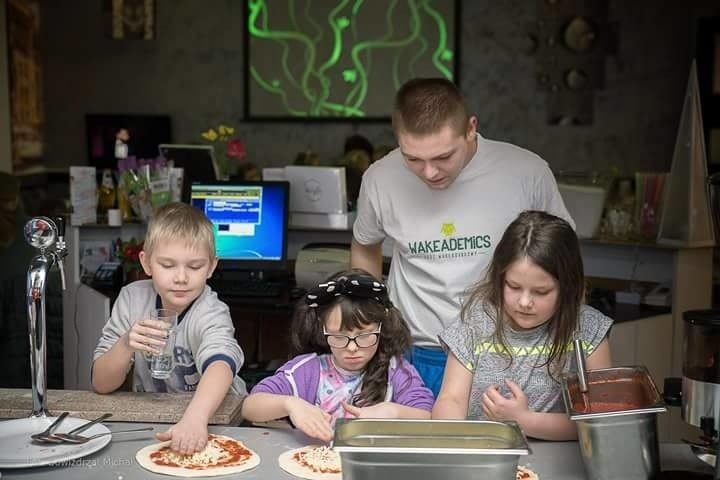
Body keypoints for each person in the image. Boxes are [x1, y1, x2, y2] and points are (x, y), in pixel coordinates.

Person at [351, 77, 574, 396]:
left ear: (470, 128)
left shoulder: (526, 172)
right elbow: (365, 245)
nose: (429, 172)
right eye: (412, 158)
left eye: (443, 157)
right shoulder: (380, 178)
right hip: (416, 353)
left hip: (503, 353)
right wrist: (366, 323)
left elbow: (565, 257)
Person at [432, 211, 612, 440]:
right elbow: (451, 399)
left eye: (541, 291)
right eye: (514, 286)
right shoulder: (475, 323)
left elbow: (601, 419)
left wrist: (524, 421)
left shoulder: (588, 330)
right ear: (500, 277)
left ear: (568, 286)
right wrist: (454, 440)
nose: (525, 302)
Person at [92, 202, 246, 454]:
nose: (181, 278)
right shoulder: (131, 299)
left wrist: (195, 419)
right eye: (167, 265)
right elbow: (101, 383)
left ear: (211, 266)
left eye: (194, 266)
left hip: (217, 419)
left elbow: (221, 365)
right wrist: (125, 344)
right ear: (147, 263)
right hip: (157, 419)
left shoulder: (211, 310)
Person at [241, 269, 434, 442]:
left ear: (381, 329)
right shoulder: (308, 369)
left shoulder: (396, 371)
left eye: (364, 336)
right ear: (323, 330)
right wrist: (290, 404)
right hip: (315, 464)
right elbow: (250, 406)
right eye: (339, 337)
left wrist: (394, 412)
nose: (352, 348)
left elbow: (426, 416)